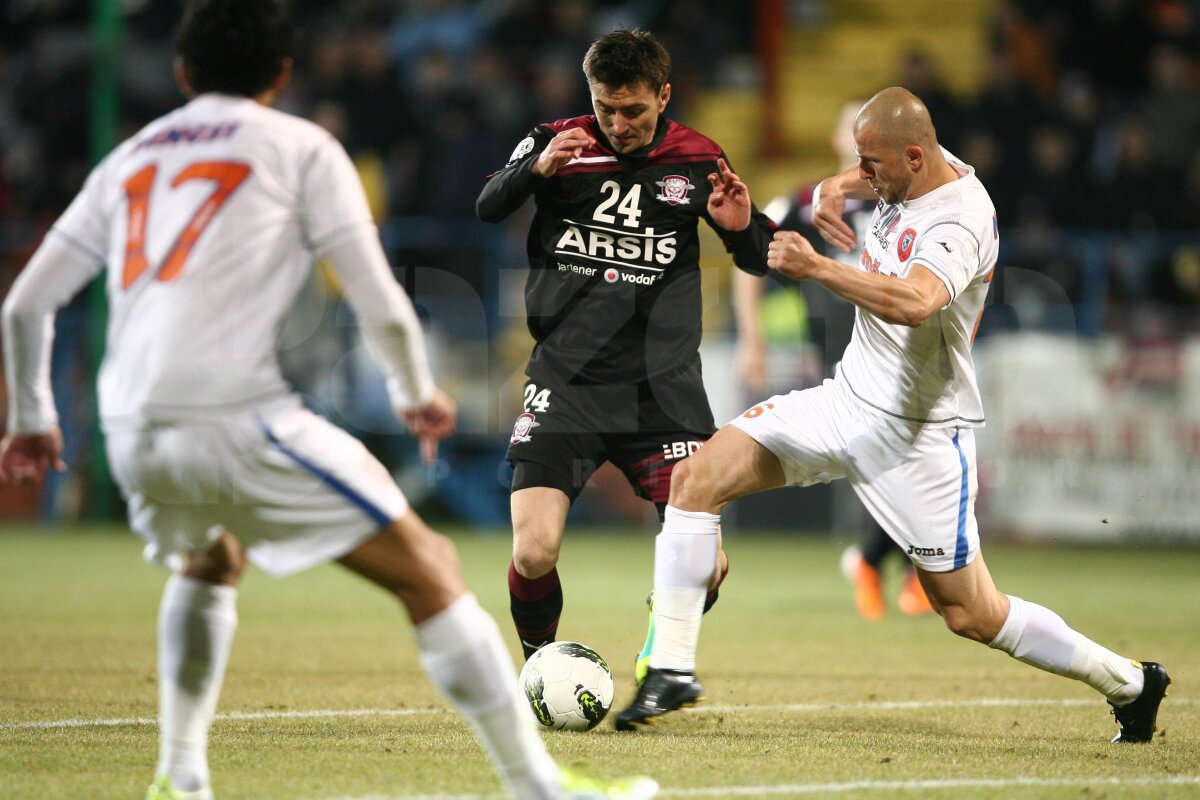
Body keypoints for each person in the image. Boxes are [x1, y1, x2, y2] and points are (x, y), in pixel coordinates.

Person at [0, 3, 658, 799]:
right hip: (232, 414)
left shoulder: (132, 156)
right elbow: (375, 290)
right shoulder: (300, 145)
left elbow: (24, 305)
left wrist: (32, 418)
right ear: (282, 75)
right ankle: (540, 788)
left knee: (211, 559)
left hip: (128, 424)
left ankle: (179, 778)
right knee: (432, 570)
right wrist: (417, 392)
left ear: (182, 74)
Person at [613, 87, 1171, 743]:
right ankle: (672, 668)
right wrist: (835, 184)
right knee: (695, 481)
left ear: (913, 156)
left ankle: (1131, 684)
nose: (865, 177)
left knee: (970, 612)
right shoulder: (924, 163)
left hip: (918, 436)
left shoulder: (959, 219)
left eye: (872, 165)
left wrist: (818, 267)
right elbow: (875, 172)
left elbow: (914, 301)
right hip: (845, 399)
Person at [476, 29, 774, 676]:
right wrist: (536, 170)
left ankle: (656, 647)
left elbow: (758, 254)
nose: (619, 124)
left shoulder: (698, 158)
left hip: (663, 394)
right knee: (533, 551)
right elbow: (487, 205)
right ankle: (538, 667)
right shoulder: (556, 142)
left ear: (663, 96)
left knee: (708, 567)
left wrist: (741, 227)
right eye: (606, 108)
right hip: (567, 384)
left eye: (634, 111)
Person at [741, 100, 931, 620]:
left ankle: (888, 562)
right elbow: (751, 254)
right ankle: (895, 564)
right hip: (845, 355)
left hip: (911, 349)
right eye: (851, 128)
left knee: (915, 458)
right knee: (888, 457)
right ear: (836, 140)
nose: (859, 139)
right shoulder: (806, 200)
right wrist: (752, 340)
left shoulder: (911, 200)